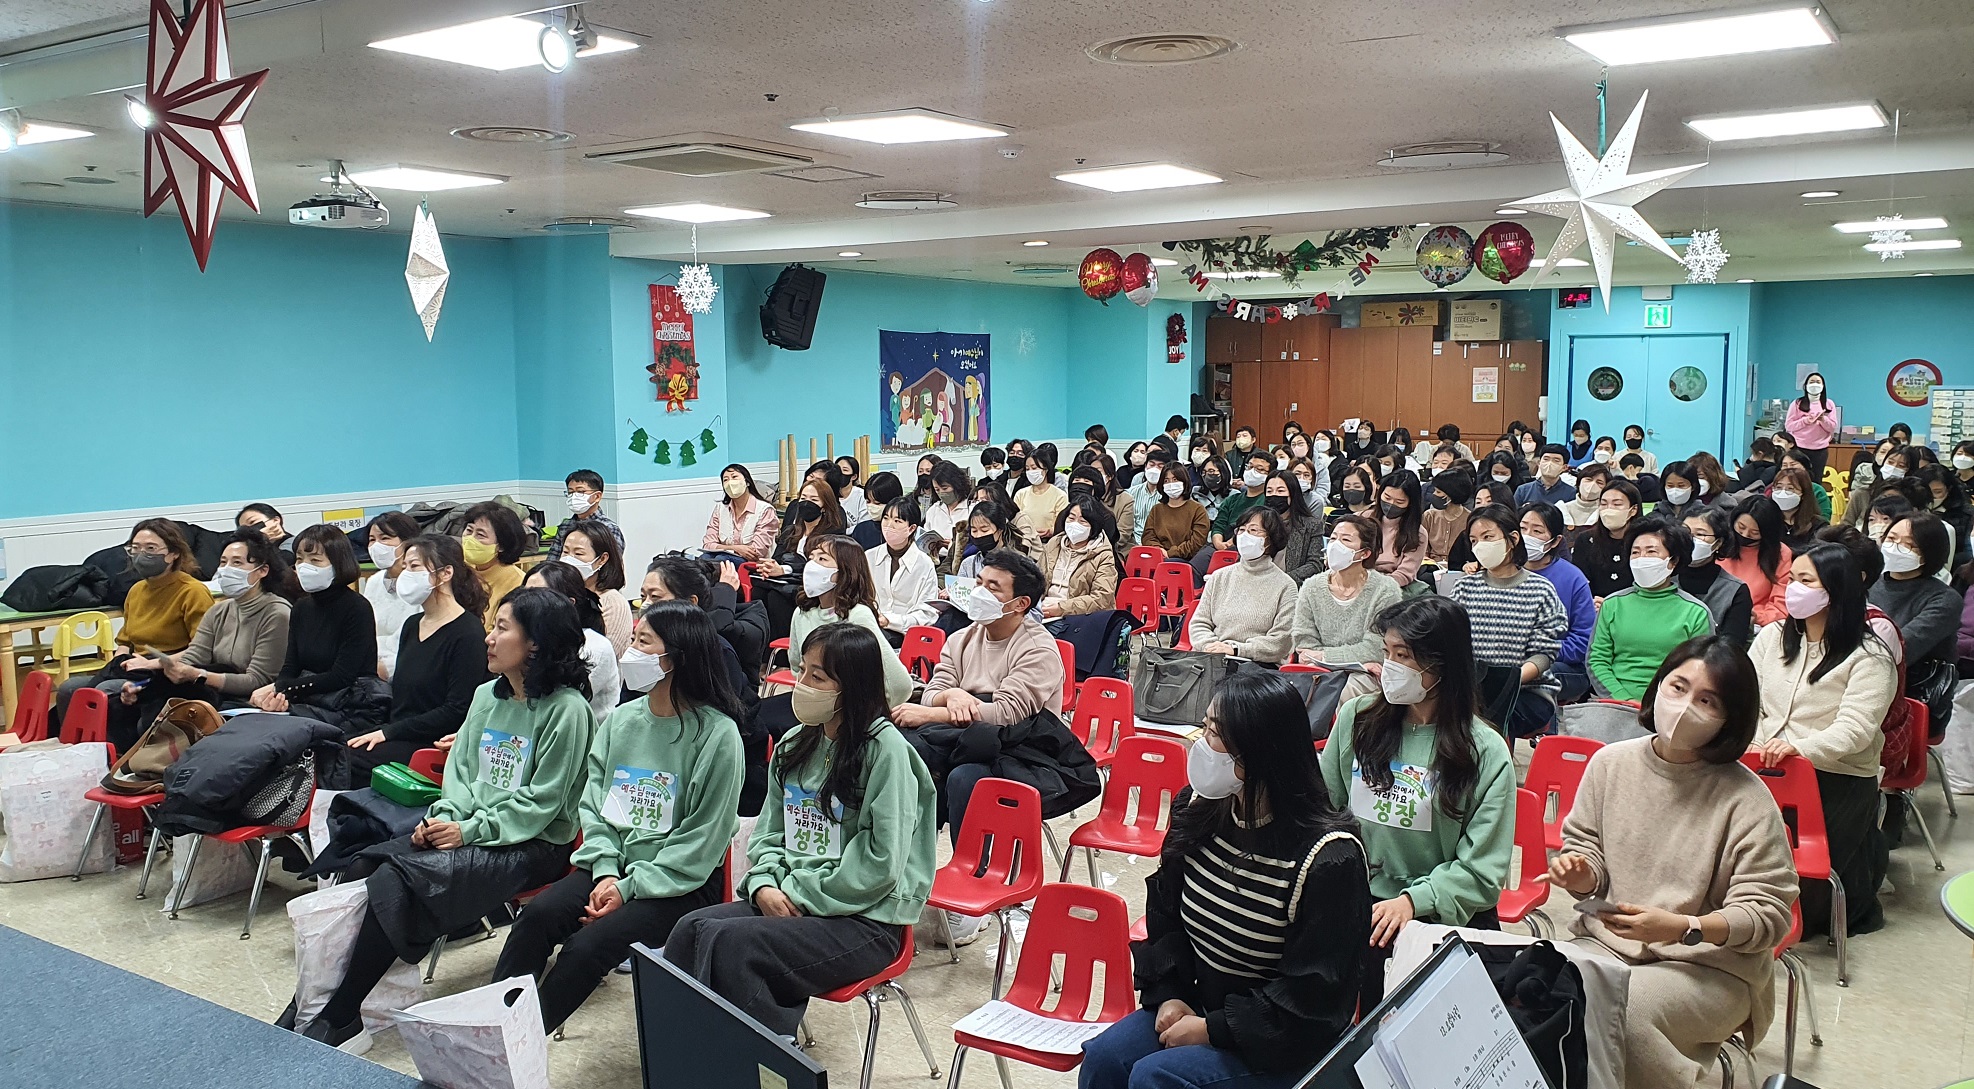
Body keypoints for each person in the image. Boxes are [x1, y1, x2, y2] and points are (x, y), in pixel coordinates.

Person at [297, 588, 593, 1052]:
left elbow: (543, 803)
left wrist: (468, 830)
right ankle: (315, 1001)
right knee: (362, 866)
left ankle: (340, 1016)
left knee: (395, 880)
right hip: (468, 829)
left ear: (536, 643)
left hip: (533, 845)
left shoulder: (567, 710)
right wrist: (444, 818)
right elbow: (460, 774)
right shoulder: (486, 696)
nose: (489, 638)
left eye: (502, 628)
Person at [1082, 672, 1370, 1088]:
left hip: (1286, 1039)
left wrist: (1212, 1029)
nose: (1199, 745)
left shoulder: (1329, 858)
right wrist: (1171, 994)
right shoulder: (1198, 809)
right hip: (1206, 1002)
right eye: (1205, 728)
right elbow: (1166, 916)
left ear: (1258, 751)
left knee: (1155, 1077)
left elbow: (1313, 1000)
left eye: (1214, 735)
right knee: (1105, 1059)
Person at [1551, 636, 1797, 1088]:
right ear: (1658, 685)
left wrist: (1684, 927)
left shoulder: (1747, 798)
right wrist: (1582, 873)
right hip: (1608, 946)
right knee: (1537, 989)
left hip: (1709, 967)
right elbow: (1586, 850)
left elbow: (1767, 914)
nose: (1684, 707)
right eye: (1678, 687)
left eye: (1707, 700)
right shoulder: (1610, 764)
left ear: (1730, 718)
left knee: (1620, 1014)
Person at [668, 622, 935, 1038]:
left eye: (818, 677)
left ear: (852, 686)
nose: (803, 684)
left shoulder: (886, 752)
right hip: (792, 898)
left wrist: (796, 893)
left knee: (734, 945)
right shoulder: (796, 743)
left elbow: (880, 863)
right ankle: (684, 1051)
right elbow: (769, 834)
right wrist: (762, 884)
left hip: (865, 919)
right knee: (690, 929)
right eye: (803, 670)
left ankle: (768, 1058)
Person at [492, 602, 746, 1033]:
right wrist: (608, 871)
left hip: (677, 882)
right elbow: (594, 806)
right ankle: (491, 1027)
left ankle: (520, 1043)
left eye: (644, 642)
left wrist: (628, 888)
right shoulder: (623, 720)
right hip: (610, 868)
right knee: (536, 918)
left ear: (674, 658)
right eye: (633, 638)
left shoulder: (718, 735)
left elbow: (701, 840)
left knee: (586, 947)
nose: (630, 651)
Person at [1318, 595, 1515, 1007]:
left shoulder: (1484, 750)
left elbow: (1482, 871)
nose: (1389, 666)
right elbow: (1324, 811)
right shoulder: (1356, 718)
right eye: (1387, 652)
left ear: (1441, 665)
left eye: (1403, 655)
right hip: (1361, 904)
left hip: (1438, 916)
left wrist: (1413, 901)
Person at [893, 550, 1082, 942]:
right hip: (965, 738)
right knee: (907, 754)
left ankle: (976, 882)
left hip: (1024, 752)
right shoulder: (963, 638)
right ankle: (904, 868)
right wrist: (952, 697)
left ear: (1020, 603)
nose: (979, 591)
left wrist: (934, 712)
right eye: (979, 582)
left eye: (993, 587)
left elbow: (1007, 714)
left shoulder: (1038, 649)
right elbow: (934, 689)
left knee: (967, 779)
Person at [1750, 542, 1894, 936]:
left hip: (1834, 774)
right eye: (1792, 579)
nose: (1794, 589)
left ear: (1835, 589)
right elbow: (1748, 701)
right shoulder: (1772, 637)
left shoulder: (1869, 656)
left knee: (1813, 901)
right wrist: (1757, 743)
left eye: (1806, 581)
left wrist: (1799, 749)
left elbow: (1856, 729)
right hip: (1763, 764)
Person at [107, 530, 293, 752]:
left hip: (247, 700)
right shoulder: (220, 610)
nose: (226, 569)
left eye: (237, 563)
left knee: (156, 717)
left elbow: (256, 680)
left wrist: (200, 675)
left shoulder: (277, 613)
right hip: (210, 690)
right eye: (223, 562)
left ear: (262, 570)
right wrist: (142, 686)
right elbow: (195, 657)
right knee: (122, 706)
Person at [344, 535, 493, 777]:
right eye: (404, 567)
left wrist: (388, 733)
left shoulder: (467, 632)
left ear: (445, 574)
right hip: (400, 732)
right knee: (330, 745)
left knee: (347, 760)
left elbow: (456, 710)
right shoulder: (412, 625)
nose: (406, 575)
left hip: (434, 742)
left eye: (414, 566)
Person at [51, 518, 212, 732]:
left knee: (106, 690)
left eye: (151, 548)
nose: (141, 555)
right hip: (136, 666)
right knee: (69, 689)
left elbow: (202, 650)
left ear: (173, 553)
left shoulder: (192, 592)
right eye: (135, 548)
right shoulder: (136, 591)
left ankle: (109, 748)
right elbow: (125, 641)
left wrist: (151, 664)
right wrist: (121, 661)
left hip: (168, 672)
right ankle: (74, 744)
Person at [1448, 505, 1568, 734]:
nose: (1480, 546)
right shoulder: (1465, 587)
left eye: (1487, 537)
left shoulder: (1540, 590)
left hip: (1527, 691)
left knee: (1487, 719)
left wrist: (1506, 681)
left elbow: (1544, 655)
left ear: (1513, 539)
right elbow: (1451, 643)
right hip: (1472, 688)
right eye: (1474, 541)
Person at [249, 525, 376, 717]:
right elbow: (290, 666)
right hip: (307, 700)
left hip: (350, 705)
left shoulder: (357, 608)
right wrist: (278, 696)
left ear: (339, 564)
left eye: (315, 560)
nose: (304, 566)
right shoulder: (301, 607)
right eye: (299, 559)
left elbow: (342, 676)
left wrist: (282, 687)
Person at [1588, 518, 1714, 702]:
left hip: (1671, 703)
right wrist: (1622, 699)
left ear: (1673, 561)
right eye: (1635, 552)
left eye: (1651, 552)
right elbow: (1596, 660)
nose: (1641, 559)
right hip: (1614, 703)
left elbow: (1699, 669)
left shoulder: (1696, 612)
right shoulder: (1612, 604)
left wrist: (1662, 704)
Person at [790, 536, 916, 707]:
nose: (812, 565)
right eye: (811, 558)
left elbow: (900, 685)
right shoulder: (801, 613)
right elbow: (796, 667)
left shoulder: (858, 615)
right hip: (815, 706)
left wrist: (868, 712)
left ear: (845, 570)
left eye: (822, 559)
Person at [1189, 509, 1298, 664]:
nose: (1245, 535)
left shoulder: (1286, 586)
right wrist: (1211, 646)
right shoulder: (1219, 577)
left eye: (1253, 530)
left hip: (1257, 666)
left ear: (1270, 539)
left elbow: (1281, 641)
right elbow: (1199, 623)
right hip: (1213, 659)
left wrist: (1236, 649)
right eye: (1241, 530)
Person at [1292, 514, 1401, 665]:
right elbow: (1304, 642)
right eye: (1333, 539)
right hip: (1317, 668)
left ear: (1365, 553)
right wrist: (1320, 660)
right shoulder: (1311, 587)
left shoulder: (1386, 590)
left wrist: (1324, 657)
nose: (1336, 545)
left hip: (1364, 670)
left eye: (1346, 540)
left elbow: (1376, 647)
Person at [1870, 511, 1962, 681]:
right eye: (1891, 539)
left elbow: (1903, 648)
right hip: (1860, 674)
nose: (1896, 547)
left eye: (1909, 544)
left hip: (1914, 685)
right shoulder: (1868, 583)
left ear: (1929, 553)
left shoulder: (1945, 599)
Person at [523, 562, 620, 722]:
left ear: (568, 603)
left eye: (539, 595)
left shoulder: (594, 646)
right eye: (525, 594)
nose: (527, 603)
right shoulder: (528, 636)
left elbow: (557, 703)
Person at [1520, 503, 1596, 703]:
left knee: (1535, 675)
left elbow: (1584, 640)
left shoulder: (1572, 578)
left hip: (1564, 664)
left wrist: (1538, 651)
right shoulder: (1505, 571)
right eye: (1522, 528)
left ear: (1555, 541)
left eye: (1537, 531)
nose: (1527, 536)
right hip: (1511, 657)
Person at [860, 497, 938, 642]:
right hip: (870, 627)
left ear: (912, 528)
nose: (889, 525)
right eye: (886, 518)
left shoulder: (924, 564)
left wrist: (891, 621)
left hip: (905, 633)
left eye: (897, 521)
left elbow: (927, 614)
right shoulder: (869, 556)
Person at [360, 512, 423, 680]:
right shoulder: (374, 581)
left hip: (407, 665)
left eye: (385, 538)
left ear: (408, 542)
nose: (376, 545)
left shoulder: (420, 582)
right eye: (372, 540)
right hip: (372, 662)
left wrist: (386, 668)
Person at [1679, 508, 1755, 647]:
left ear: (1718, 543)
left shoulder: (1735, 590)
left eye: (1700, 534)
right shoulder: (1663, 580)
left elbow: (1731, 646)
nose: (1691, 539)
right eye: (1685, 532)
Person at [556, 522, 632, 656]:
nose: (569, 560)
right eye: (565, 552)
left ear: (602, 559)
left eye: (578, 553)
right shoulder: (558, 593)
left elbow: (602, 656)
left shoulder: (613, 603)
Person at [1039, 496, 1119, 618]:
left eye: (1082, 521)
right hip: (1043, 609)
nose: (1075, 524)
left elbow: (1102, 598)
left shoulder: (1103, 554)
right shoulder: (1053, 545)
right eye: (1071, 518)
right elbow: (1035, 580)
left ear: (1093, 526)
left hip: (1079, 616)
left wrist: (1061, 609)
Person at [1719, 496, 1793, 627]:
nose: (1745, 535)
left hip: (1755, 622)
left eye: (1755, 532)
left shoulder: (1780, 554)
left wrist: (1758, 617)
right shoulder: (1720, 541)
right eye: (1741, 527)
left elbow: (1781, 604)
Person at [756, 480, 846, 580]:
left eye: (814, 500)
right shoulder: (790, 532)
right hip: (783, 580)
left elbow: (820, 566)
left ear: (824, 507)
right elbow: (777, 559)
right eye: (803, 498)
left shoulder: (832, 536)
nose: (806, 503)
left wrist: (785, 569)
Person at [460, 501, 529, 631]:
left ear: (501, 546)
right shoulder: (459, 570)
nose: (470, 539)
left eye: (480, 535)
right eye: (469, 530)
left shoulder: (517, 582)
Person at [1573, 479, 1642, 602]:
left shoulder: (1643, 542)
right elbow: (1580, 583)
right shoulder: (1585, 540)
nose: (1609, 509)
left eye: (1617, 504)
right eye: (1604, 504)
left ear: (1633, 509)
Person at [702, 463, 781, 566]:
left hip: (754, 565)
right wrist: (736, 548)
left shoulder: (765, 510)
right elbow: (708, 544)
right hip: (723, 559)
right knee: (704, 559)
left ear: (747, 482)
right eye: (725, 480)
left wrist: (722, 548)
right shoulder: (720, 509)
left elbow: (756, 552)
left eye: (734, 477)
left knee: (721, 561)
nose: (730, 483)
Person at [547, 469, 625, 563]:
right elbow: (552, 561)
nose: (574, 497)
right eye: (570, 492)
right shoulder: (565, 526)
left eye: (580, 492)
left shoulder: (609, 528)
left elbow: (613, 565)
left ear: (597, 496)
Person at [1261, 469, 1322, 584]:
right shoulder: (1259, 523)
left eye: (1280, 491)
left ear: (1292, 493)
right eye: (1269, 491)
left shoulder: (1312, 525)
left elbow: (1315, 564)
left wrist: (1284, 581)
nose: (1274, 495)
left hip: (1291, 585)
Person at [1372, 472, 1427, 590]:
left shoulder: (1418, 534)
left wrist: (1376, 585)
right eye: (1387, 497)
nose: (1391, 504)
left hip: (1394, 588)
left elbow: (1405, 573)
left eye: (1399, 502)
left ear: (1410, 503)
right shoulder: (1362, 519)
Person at [1142, 469, 1210, 561]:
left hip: (1187, 559)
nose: (1171, 484)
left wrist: (1171, 553)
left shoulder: (1198, 509)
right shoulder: (1156, 509)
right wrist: (1159, 550)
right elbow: (1148, 537)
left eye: (1175, 480)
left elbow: (1197, 542)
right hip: (1158, 556)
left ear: (1184, 481)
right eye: (1166, 481)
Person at [919, 460, 975, 565]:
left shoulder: (972, 509)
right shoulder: (933, 510)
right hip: (936, 563)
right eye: (937, 489)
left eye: (945, 488)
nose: (941, 493)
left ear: (957, 484)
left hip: (964, 562)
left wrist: (953, 546)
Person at [1785, 371, 1839, 475]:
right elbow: (1789, 426)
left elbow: (1833, 427)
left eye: (1818, 382)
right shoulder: (1797, 403)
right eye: (1812, 382)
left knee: (1816, 478)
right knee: (1798, 477)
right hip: (1800, 447)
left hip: (1820, 449)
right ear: (1806, 386)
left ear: (1823, 386)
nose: (1815, 384)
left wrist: (1823, 419)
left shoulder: (1829, 404)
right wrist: (1805, 421)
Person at [1421, 467, 1473, 570]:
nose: (1434, 495)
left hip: (1459, 569)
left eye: (1438, 492)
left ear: (1451, 494)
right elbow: (1421, 548)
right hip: (1430, 568)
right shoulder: (1429, 516)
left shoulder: (1470, 519)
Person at [1014, 444, 1068, 541]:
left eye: (1034, 468)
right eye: (1027, 469)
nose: (1030, 472)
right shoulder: (1021, 494)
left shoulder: (1060, 496)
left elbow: (1062, 525)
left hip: (1049, 543)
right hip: (1024, 542)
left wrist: (1050, 531)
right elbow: (1014, 521)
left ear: (1046, 469)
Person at [1768, 466, 1827, 551]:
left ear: (1803, 493)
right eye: (1778, 487)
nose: (1782, 493)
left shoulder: (1818, 525)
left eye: (1790, 489)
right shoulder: (1766, 520)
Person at [1127, 448, 1172, 544]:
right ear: (1145, 466)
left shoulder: (1170, 495)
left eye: (1160, 466)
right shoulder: (1131, 493)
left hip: (1158, 543)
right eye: (1151, 465)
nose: (1154, 469)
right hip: (1132, 541)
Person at [1559, 463, 1607, 529]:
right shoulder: (1561, 509)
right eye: (1589, 479)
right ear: (1579, 482)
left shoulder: (1605, 513)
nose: (1592, 485)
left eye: (1599, 483)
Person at [1193, 455, 1233, 523]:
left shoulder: (1234, 495)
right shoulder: (1195, 493)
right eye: (1204, 472)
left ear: (1222, 472)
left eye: (1211, 471)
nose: (1207, 475)